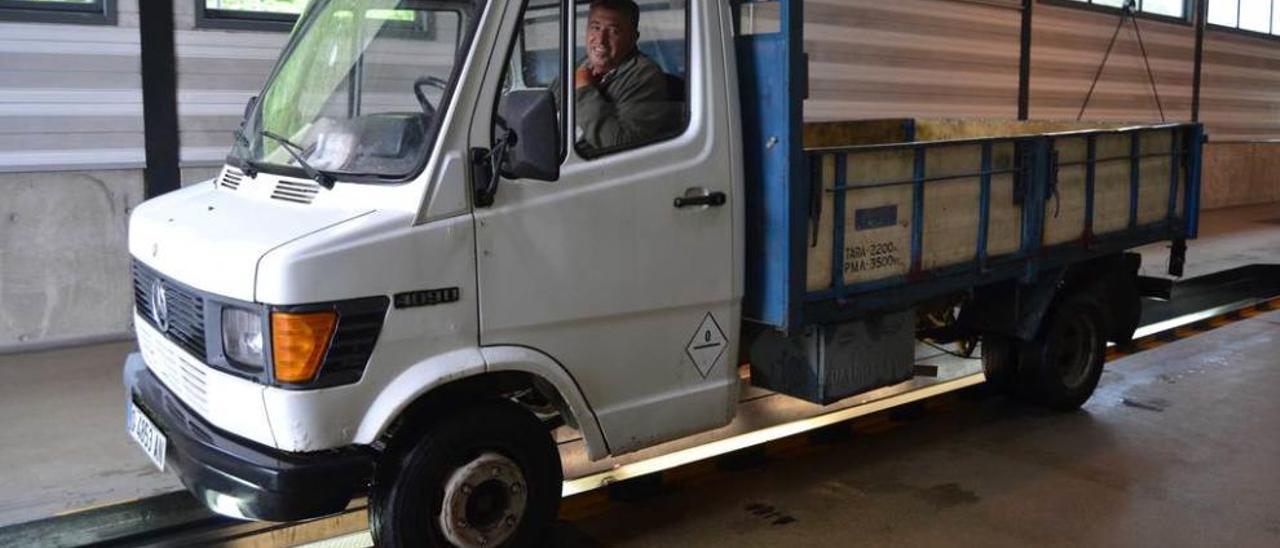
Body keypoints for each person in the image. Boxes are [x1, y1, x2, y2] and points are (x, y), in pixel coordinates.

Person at [564, 0, 681, 154]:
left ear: (633, 38)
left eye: (613, 31)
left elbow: (620, 144)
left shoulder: (644, 75)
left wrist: (583, 89)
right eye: (596, 28)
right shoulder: (583, 64)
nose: (600, 40)